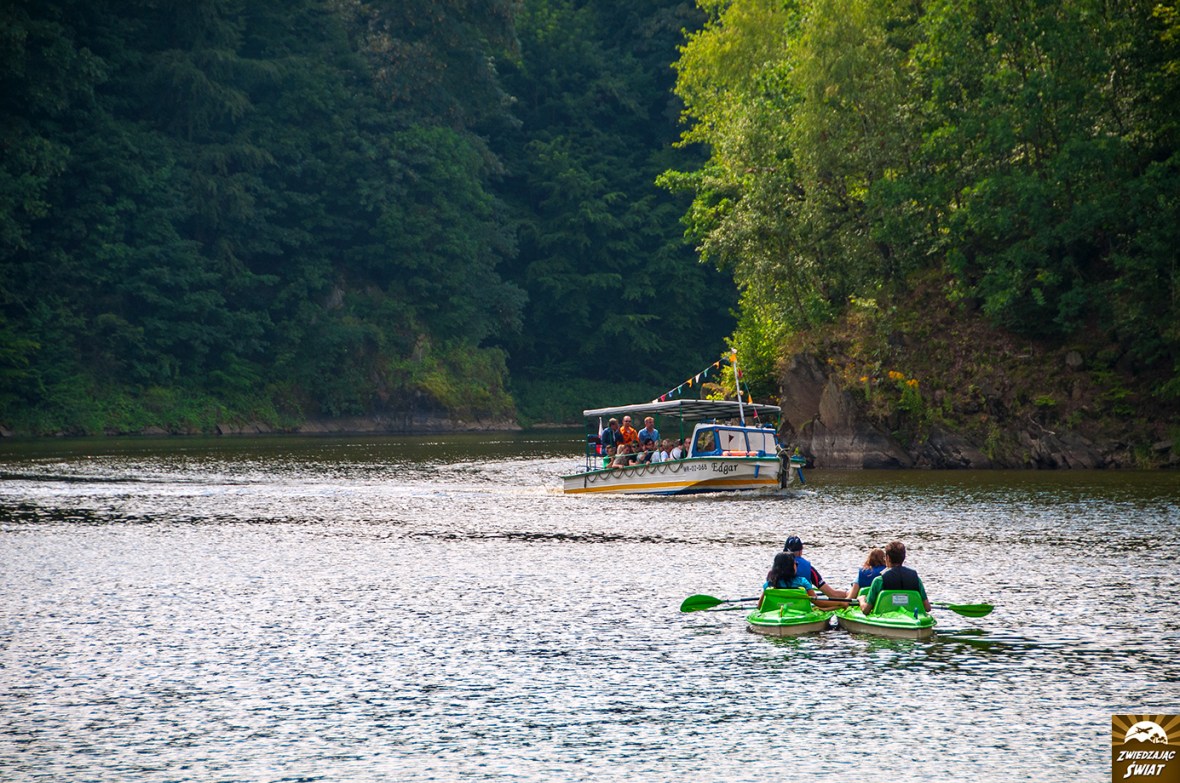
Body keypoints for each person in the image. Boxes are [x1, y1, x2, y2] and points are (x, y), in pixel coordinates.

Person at [858, 540, 932, 614]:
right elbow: (927, 608)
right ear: (904, 557)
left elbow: (866, 610)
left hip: (884, 614)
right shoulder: (916, 579)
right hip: (911, 615)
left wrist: (861, 599)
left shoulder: (879, 581)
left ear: (887, 558)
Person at [762, 552, 842, 610]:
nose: (797, 565)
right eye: (795, 564)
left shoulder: (769, 584)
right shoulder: (802, 582)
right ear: (790, 567)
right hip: (800, 612)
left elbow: (760, 606)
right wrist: (840, 603)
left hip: (776, 613)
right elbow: (818, 602)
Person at [782, 536, 848, 599]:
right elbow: (832, 594)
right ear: (800, 551)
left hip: (779, 604)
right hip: (802, 605)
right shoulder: (808, 571)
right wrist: (848, 594)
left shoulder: (776, 570)